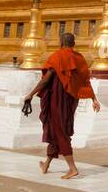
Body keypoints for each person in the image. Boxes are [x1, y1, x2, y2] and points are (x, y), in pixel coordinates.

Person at [25, 32, 101, 180]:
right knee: (57, 129)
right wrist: (94, 99)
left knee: (60, 132)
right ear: (74, 43)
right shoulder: (79, 59)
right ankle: (46, 164)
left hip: (57, 100)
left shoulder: (56, 57)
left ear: (61, 42)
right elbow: (85, 81)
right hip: (71, 101)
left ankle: (72, 169)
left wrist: (31, 94)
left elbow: (45, 81)